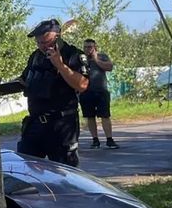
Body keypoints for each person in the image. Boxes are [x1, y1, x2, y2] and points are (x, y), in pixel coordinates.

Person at [17, 19, 89, 166]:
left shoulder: (73, 55)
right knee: (27, 168)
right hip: (35, 122)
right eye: (39, 43)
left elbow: (82, 85)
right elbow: (24, 80)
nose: (43, 46)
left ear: (58, 36)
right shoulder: (36, 56)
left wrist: (60, 65)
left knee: (65, 173)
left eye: (46, 42)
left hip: (61, 125)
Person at [79, 38, 117, 149]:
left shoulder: (102, 56)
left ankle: (109, 139)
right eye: (85, 47)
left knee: (105, 116)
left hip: (101, 91)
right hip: (86, 91)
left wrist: (96, 59)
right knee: (90, 116)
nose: (87, 49)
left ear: (95, 47)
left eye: (90, 47)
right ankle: (95, 140)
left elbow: (109, 67)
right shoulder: (81, 59)